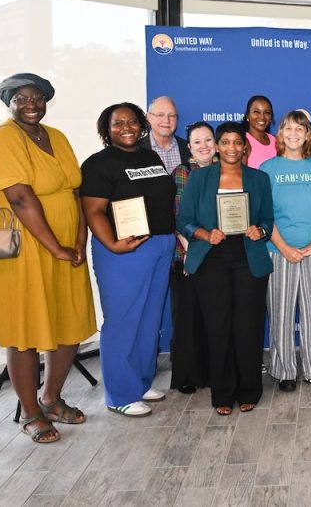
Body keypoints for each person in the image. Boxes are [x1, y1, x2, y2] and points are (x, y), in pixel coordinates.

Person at [0, 73, 96, 444]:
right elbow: (19, 197)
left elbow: (75, 190)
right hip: (27, 246)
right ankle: (30, 412)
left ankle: (51, 398)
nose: (31, 104)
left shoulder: (56, 136)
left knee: (69, 321)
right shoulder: (5, 137)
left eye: (38, 98)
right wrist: (55, 247)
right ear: (9, 103)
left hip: (66, 243)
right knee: (25, 330)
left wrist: (79, 238)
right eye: (21, 98)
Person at [80, 103, 176, 417]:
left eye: (132, 121)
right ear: (106, 129)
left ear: (142, 125)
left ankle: (140, 382)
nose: (127, 127)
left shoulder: (150, 157)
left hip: (159, 244)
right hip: (123, 250)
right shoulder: (98, 164)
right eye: (118, 123)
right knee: (123, 321)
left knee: (149, 318)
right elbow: (93, 210)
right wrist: (112, 244)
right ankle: (120, 394)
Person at [177, 122, 274, 415]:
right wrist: (205, 234)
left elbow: (268, 219)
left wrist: (260, 231)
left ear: (245, 147)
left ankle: (249, 389)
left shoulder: (259, 178)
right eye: (226, 142)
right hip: (211, 258)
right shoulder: (199, 178)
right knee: (217, 326)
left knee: (248, 325)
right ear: (218, 147)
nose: (232, 148)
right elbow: (184, 220)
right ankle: (222, 392)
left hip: (248, 257)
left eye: (237, 142)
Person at [259, 110, 311, 391]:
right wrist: (284, 247)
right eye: (288, 128)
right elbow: (263, 214)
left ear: (308, 135)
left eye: (299, 128)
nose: (293, 133)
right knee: (281, 313)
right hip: (277, 251)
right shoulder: (268, 168)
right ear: (280, 134)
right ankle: (284, 372)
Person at [139, 95, 190, 355]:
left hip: (183, 242)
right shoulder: (135, 150)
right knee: (146, 304)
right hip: (148, 239)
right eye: (160, 115)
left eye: (171, 116)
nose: (166, 120)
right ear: (148, 118)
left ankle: (182, 357)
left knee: (184, 303)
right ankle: (146, 358)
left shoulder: (188, 148)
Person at [169, 121, 217, 394]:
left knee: (214, 317)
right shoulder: (182, 173)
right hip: (188, 255)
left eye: (208, 140)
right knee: (188, 318)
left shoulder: (226, 172)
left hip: (218, 256)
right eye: (197, 142)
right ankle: (188, 375)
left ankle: (213, 372)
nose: (204, 146)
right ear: (189, 147)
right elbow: (179, 217)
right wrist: (191, 254)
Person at [243, 95, 277, 168]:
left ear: (271, 117)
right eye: (256, 112)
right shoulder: (243, 142)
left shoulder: (276, 141)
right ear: (247, 115)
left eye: (267, 112)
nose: (262, 117)